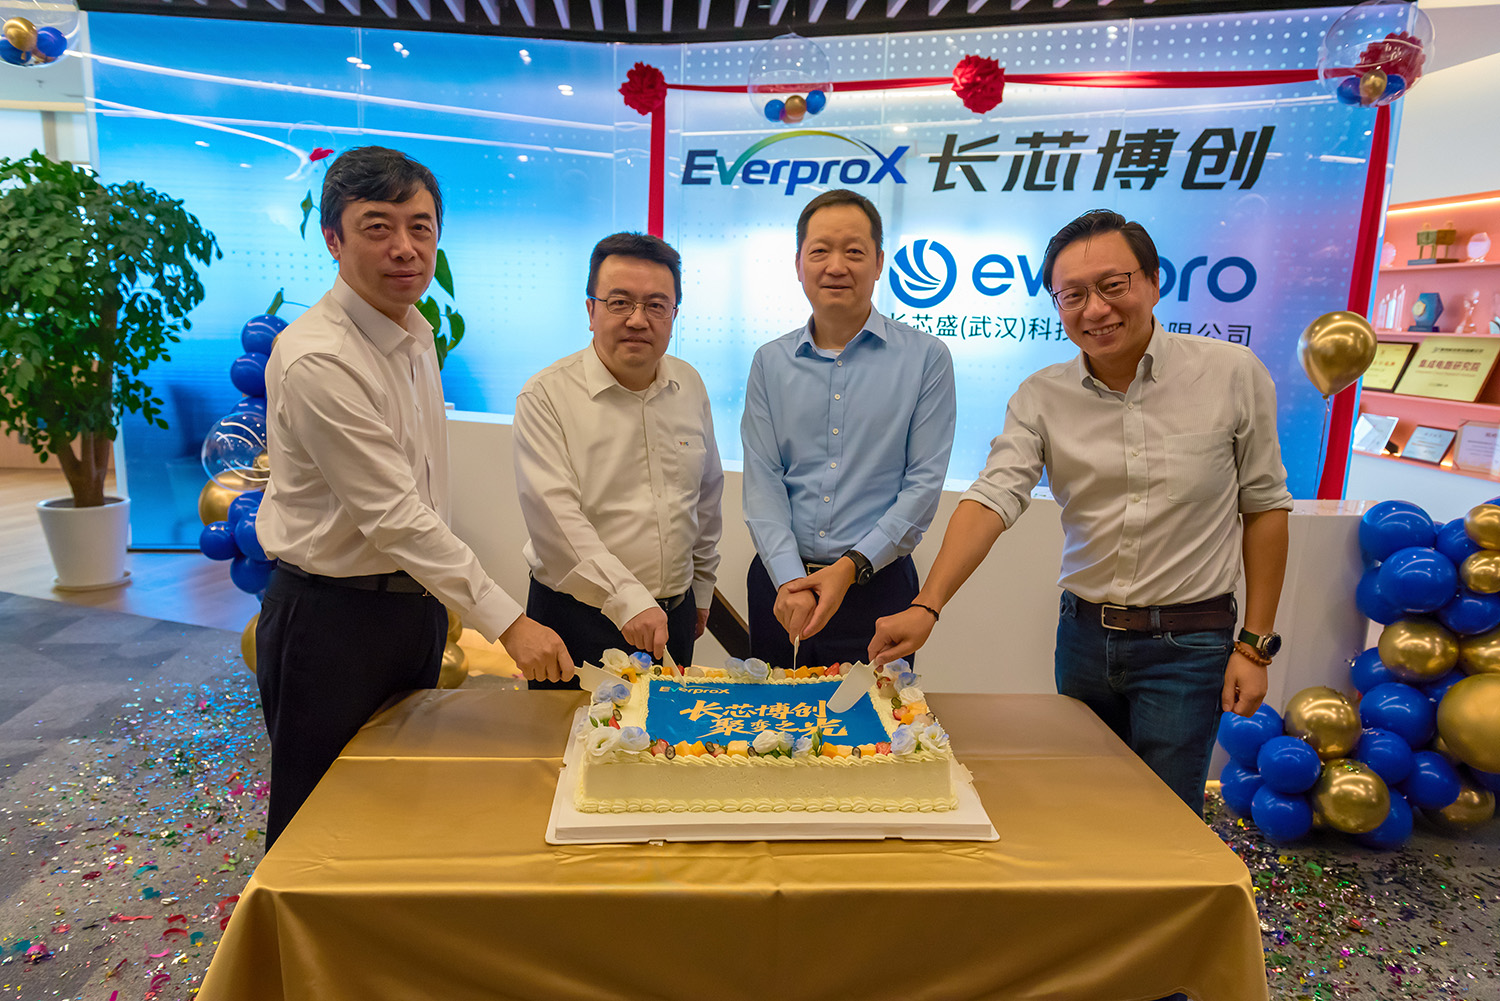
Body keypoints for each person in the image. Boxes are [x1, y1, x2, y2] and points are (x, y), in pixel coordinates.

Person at [868, 208, 1292, 815]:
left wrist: (1253, 646)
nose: (1095, 309)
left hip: (1190, 643)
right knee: (1085, 805)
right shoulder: (1042, 396)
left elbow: (1265, 506)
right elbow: (993, 496)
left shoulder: (1231, 374)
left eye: (1113, 285)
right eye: (1072, 295)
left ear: (1153, 282)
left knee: (1165, 816)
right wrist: (926, 604)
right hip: (1085, 639)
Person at [255, 146, 573, 847]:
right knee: (317, 823)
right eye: (378, 227)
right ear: (333, 239)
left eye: (420, 227)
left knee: (397, 803)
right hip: (330, 620)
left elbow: (419, 497)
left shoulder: (413, 331)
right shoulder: (320, 358)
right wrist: (508, 622)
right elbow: (394, 515)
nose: (405, 247)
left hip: (411, 610)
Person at [741, 189, 956, 670]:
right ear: (798, 264)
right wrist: (789, 579)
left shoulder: (926, 359)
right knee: (769, 716)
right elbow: (762, 480)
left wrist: (851, 566)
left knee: (877, 717)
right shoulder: (770, 362)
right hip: (783, 589)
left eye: (854, 251)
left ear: (879, 263)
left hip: (877, 590)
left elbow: (922, 486)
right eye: (820, 250)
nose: (836, 266)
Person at [513, 232, 724, 687]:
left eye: (656, 305)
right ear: (591, 311)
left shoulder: (689, 384)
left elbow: (706, 497)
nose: (637, 319)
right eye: (619, 302)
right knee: (567, 734)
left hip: (673, 617)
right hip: (577, 621)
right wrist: (628, 599)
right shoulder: (546, 395)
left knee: (667, 731)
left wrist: (702, 587)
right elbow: (556, 522)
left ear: (674, 315)